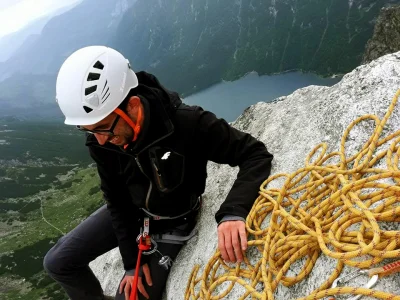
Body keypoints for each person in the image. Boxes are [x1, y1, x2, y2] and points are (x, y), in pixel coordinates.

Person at [43, 46, 273, 300]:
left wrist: (232, 212)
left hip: (174, 220)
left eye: (103, 128)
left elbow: (255, 154)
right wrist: (132, 262)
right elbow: (116, 198)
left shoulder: (187, 124)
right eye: (88, 130)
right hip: (133, 211)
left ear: (131, 106)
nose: (99, 140)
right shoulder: (104, 141)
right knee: (57, 263)